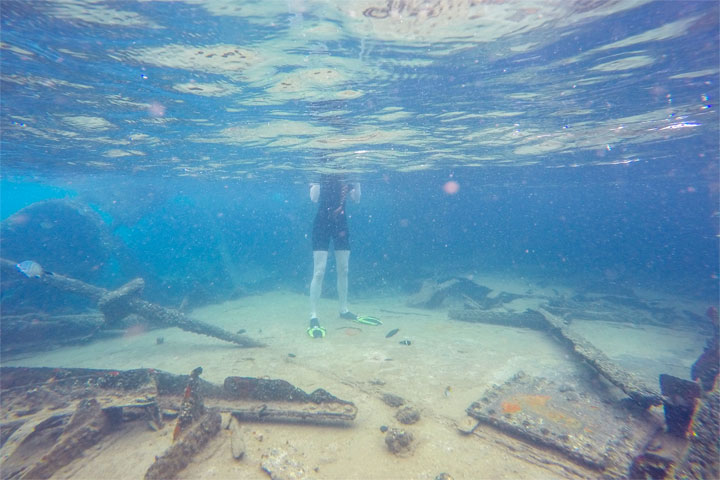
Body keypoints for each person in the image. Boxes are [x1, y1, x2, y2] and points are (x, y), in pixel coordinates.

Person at [307, 174, 361, 338]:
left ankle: (343, 310)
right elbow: (314, 198)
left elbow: (356, 199)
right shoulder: (320, 173)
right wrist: (317, 178)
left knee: (344, 269)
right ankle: (313, 315)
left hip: (341, 224)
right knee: (319, 271)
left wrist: (356, 180)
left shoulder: (347, 174)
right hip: (322, 223)